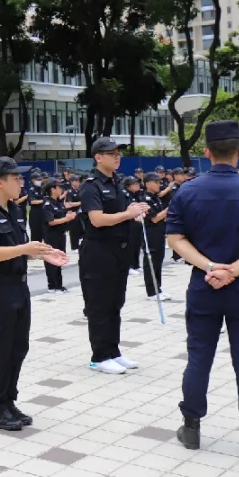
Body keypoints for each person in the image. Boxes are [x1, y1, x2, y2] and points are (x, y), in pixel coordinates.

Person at [166, 120, 239, 459]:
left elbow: (175, 238)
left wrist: (210, 267)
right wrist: (234, 270)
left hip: (203, 286)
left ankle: (191, 427)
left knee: (199, 357)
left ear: (206, 153)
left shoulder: (186, 191)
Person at [0, 157, 67, 431]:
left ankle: (8, 401)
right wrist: (25, 249)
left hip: (18, 286)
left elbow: (17, 249)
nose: (22, 182)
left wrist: (43, 254)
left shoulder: (14, 210)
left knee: (18, 348)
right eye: (16, 178)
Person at [79, 139, 146, 375]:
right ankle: (99, 356)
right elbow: (97, 219)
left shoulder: (117, 182)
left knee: (116, 303)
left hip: (119, 250)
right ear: (98, 157)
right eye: (112, 153)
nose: (117, 157)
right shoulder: (91, 186)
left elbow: (123, 213)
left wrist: (135, 212)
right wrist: (127, 214)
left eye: (118, 154)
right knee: (99, 304)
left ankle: (113, 351)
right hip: (98, 251)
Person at [139, 173, 170, 301]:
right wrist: (170, 208)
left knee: (158, 260)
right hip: (150, 233)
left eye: (159, 182)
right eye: (156, 182)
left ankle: (158, 288)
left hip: (159, 232)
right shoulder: (145, 199)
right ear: (147, 183)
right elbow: (155, 218)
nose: (159, 184)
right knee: (151, 261)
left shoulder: (155, 197)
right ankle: (152, 291)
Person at [43, 179, 75, 293]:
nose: (61, 189)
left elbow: (62, 215)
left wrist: (68, 216)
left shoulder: (59, 202)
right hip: (51, 235)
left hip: (61, 234)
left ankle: (59, 284)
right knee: (52, 259)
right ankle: (52, 285)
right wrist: (66, 218)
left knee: (60, 258)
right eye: (59, 187)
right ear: (53, 189)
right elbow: (51, 221)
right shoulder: (47, 203)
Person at [123, 177, 144, 274]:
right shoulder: (125, 195)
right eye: (134, 184)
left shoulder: (137, 194)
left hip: (138, 222)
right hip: (129, 223)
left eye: (137, 183)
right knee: (130, 245)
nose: (137, 185)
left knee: (137, 244)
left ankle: (136, 264)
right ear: (128, 186)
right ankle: (129, 266)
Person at [27, 172, 46, 243]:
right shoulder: (31, 190)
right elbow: (32, 201)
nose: (39, 181)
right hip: (35, 213)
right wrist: (43, 201)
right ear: (33, 180)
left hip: (42, 212)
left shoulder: (41, 188)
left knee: (43, 232)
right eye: (38, 180)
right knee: (36, 232)